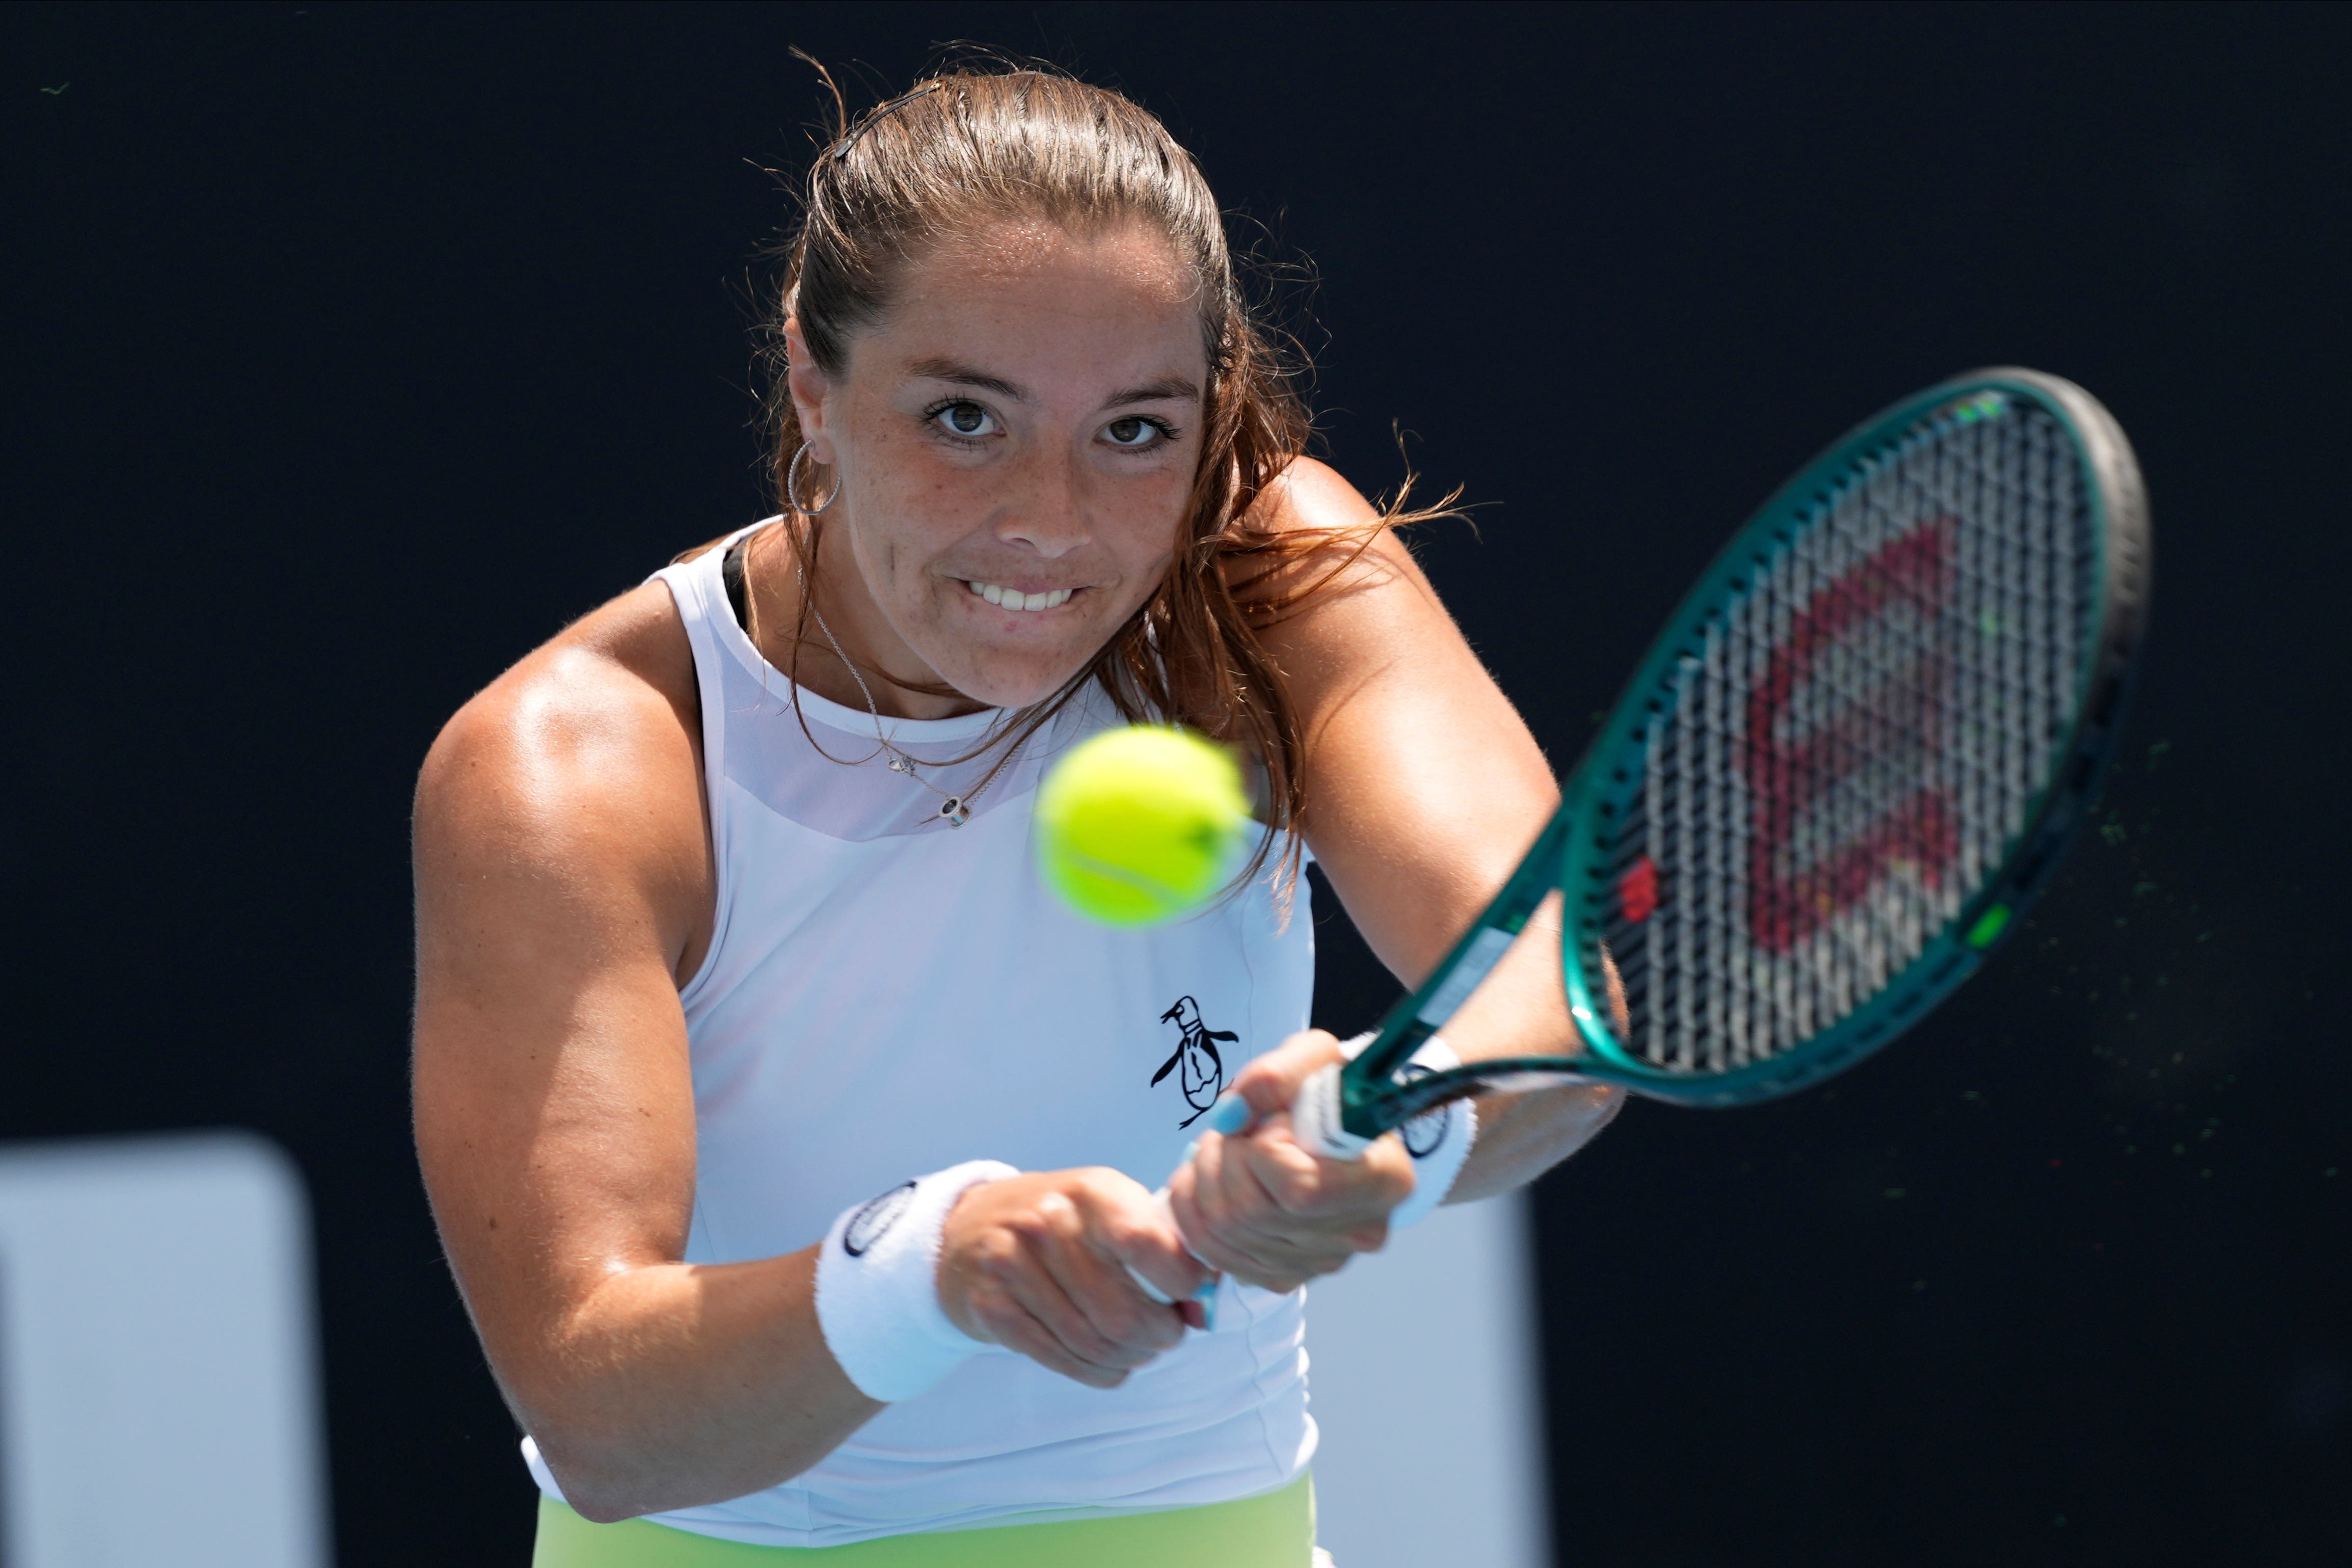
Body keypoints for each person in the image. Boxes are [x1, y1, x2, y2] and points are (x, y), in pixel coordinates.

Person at [411, 64, 1624, 1568]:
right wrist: (931, 1267)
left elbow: (1555, 1001)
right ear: (810, 377)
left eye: (1133, 431)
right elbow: (600, 1415)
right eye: (964, 416)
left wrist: (1392, 1134)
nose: (1049, 519)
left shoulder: (1267, 583)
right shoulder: (581, 763)